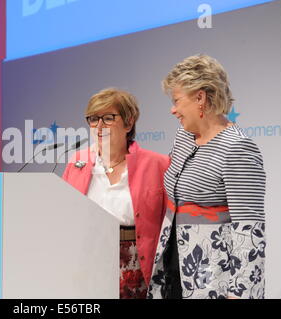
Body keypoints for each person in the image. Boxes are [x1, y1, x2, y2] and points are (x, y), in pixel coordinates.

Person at [147, 54, 266, 299]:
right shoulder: (183, 136)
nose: (173, 110)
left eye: (177, 100)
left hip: (213, 280)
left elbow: (249, 230)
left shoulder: (238, 148)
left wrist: (241, 294)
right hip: (171, 269)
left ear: (200, 97)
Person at [62, 88, 169, 299]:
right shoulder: (77, 163)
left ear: (128, 123)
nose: (99, 126)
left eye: (108, 118)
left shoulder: (158, 164)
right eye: (93, 119)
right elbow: (65, 217)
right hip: (88, 261)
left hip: (137, 266)